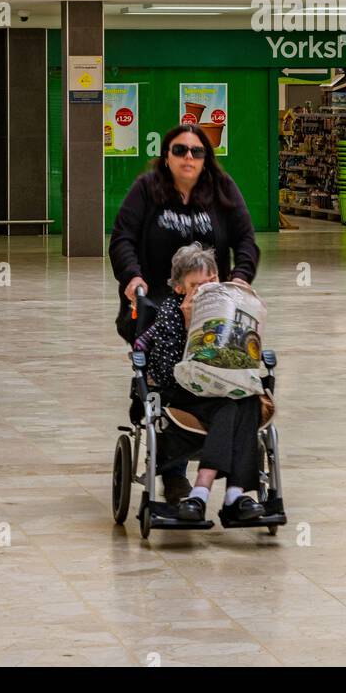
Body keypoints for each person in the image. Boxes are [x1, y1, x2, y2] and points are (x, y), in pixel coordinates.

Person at [109, 123, 259, 504]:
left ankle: (229, 486)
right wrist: (132, 277)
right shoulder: (147, 189)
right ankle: (174, 472)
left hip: (214, 305)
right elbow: (123, 237)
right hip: (157, 303)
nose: (188, 157)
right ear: (166, 156)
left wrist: (240, 278)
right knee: (170, 379)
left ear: (206, 158)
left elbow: (245, 239)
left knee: (226, 380)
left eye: (196, 151)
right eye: (179, 150)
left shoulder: (222, 189)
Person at [137, 243, 267, 525]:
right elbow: (166, 372)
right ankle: (219, 493)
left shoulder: (228, 306)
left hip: (226, 387)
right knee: (231, 406)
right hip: (185, 392)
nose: (206, 289)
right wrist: (189, 324)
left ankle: (219, 494)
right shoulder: (170, 312)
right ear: (180, 287)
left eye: (212, 280)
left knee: (249, 400)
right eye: (196, 285)